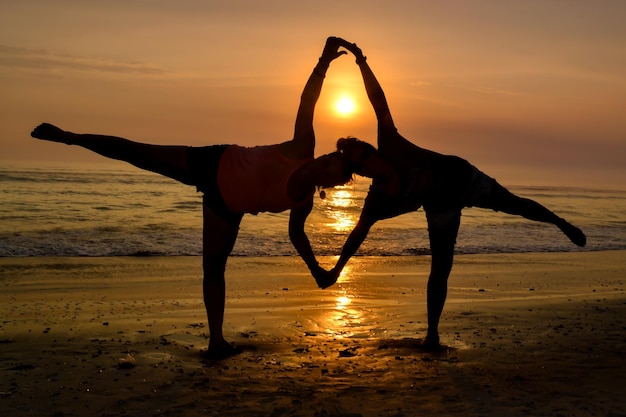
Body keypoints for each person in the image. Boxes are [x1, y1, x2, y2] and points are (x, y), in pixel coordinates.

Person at [30, 37, 363, 359]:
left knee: (214, 268)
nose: (326, 165)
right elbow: (308, 102)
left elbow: (296, 234)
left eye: (334, 171)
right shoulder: (303, 146)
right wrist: (323, 61)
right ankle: (70, 137)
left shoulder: (302, 201)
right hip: (214, 162)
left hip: (227, 207)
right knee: (139, 153)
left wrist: (315, 268)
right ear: (325, 156)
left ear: (330, 183)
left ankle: (216, 341)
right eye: (331, 159)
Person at [317, 38, 587, 351]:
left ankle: (560, 223)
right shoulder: (378, 201)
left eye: (365, 152)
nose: (368, 160)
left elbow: (378, 102)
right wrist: (336, 270)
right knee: (441, 266)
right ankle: (432, 335)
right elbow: (357, 235)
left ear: (371, 149)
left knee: (513, 205)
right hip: (439, 205)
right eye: (359, 164)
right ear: (359, 173)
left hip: (460, 177)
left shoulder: (391, 145)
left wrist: (361, 60)